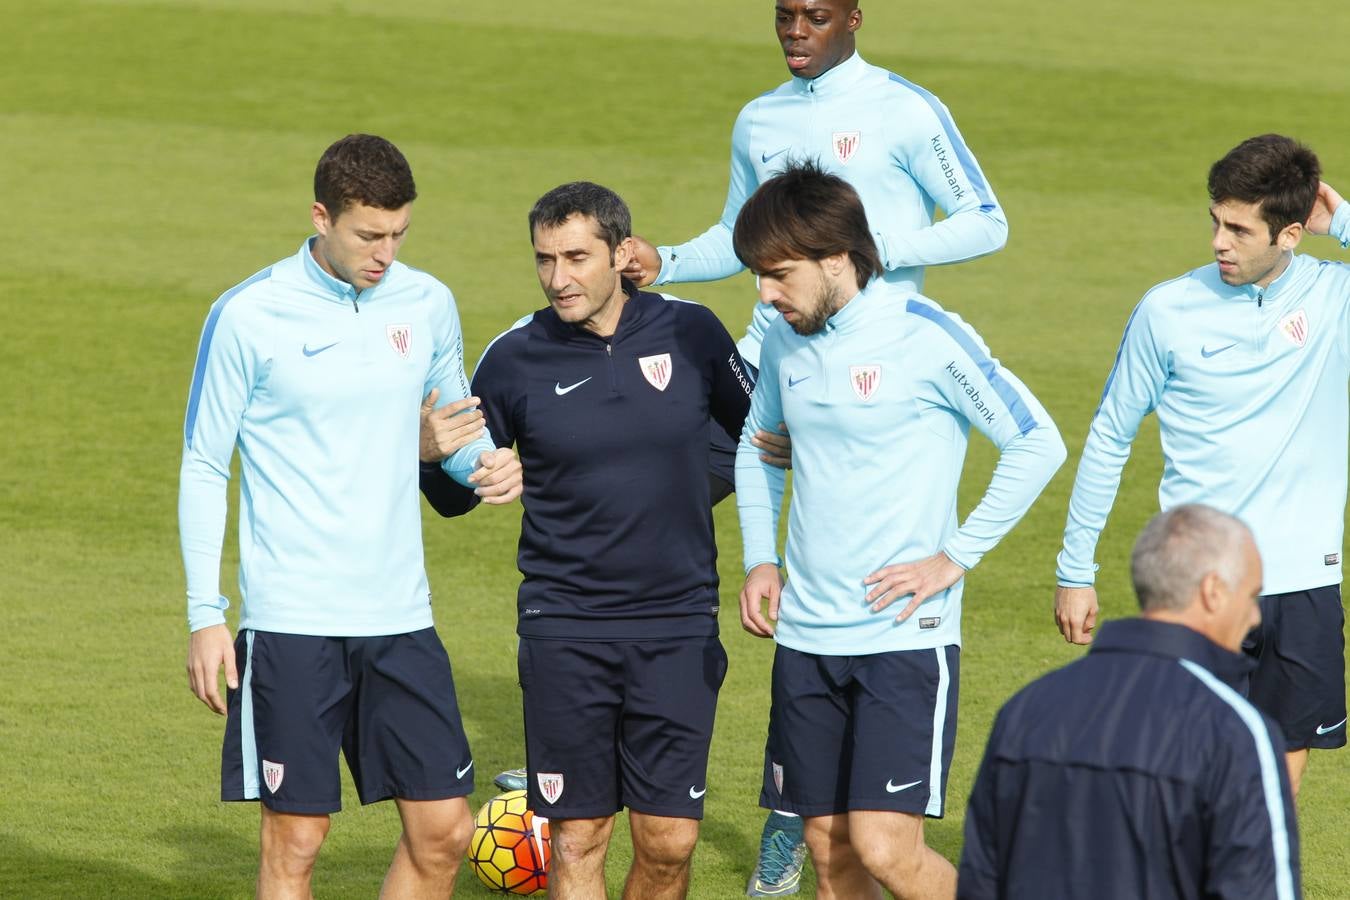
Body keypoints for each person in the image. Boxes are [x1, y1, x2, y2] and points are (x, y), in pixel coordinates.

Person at [625, 6, 1008, 889]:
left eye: (816, 13)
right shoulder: (759, 120)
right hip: (779, 351)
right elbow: (741, 235)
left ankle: (800, 807)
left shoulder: (905, 109)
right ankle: (633, 728)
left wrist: (857, 251)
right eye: (784, 13)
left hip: (879, 357)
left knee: (847, 531)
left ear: (853, 18)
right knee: (669, 485)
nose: (797, 27)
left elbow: (986, 220)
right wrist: (668, 258)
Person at [178, 133, 522, 898]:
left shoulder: (427, 301)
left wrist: (483, 464)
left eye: (399, 233)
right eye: (369, 234)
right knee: (296, 843)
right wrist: (207, 615)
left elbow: (453, 426)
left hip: (400, 615)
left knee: (445, 831)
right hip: (293, 618)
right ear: (321, 218)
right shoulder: (248, 314)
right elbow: (204, 463)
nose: (385, 253)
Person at [734, 161, 1064, 900]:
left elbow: (1036, 441)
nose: (764, 294)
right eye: (758, 274)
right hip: (807, 636)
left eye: (779, 274)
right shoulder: (785, 340)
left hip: (902, 640)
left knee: (886, 847)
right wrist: (761, 560)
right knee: (827, 848)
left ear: (838, 259)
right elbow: (756, 451)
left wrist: (954, 557)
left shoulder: (926, 336)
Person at [419, 181, 753, 900]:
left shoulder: (692, 333)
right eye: (544, 260)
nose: (558, 278)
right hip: (564, 624)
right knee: (578, 836)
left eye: (576, 257)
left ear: (622, 253)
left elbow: (757, 431)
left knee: (670, 842)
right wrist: (429, 453)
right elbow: (453, 495)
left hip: (678, 622)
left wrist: (687, 489)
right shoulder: (514, 357)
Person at [1054, 134, 1350, 796]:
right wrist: (1075, 570)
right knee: (1181, 771)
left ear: (1292, 234)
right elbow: (1109, 435)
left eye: (1241, 229)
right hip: (1198, 582)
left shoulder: (1337, 299)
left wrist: (1346, 221)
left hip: (1303, 579)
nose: (1220, 241)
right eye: (1215, 220)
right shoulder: (1167, 309)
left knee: (1277, 780)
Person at [961, 504, 1301, 899]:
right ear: (1213, 591)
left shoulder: (1023, 711)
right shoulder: (1234, 732)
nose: (1256, 616)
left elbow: (980, 882)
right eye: (1252, 595)